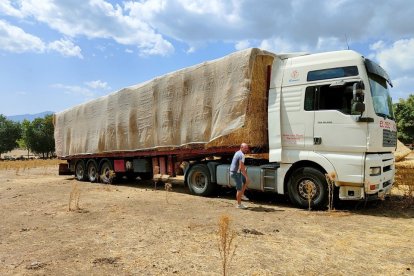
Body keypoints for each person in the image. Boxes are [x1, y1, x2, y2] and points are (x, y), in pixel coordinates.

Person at [230, 143, 250, 209]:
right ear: (241, 147)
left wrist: (243, 172)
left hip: (236, 172)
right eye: (245, 148)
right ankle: (239, 205)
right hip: (235, 173)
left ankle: (242, 194)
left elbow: (241, 165)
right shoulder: (241, 155)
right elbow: (241, 166)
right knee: (239, 188)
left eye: (247, 148)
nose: (247, 149)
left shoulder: (238, 152)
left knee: (245, 181)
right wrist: (246, 176)